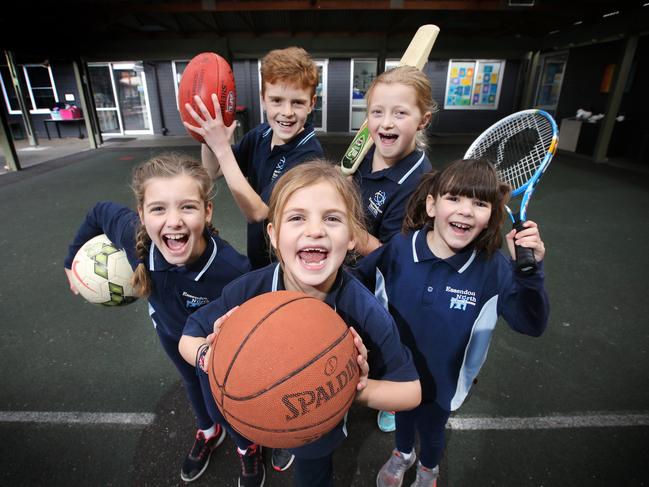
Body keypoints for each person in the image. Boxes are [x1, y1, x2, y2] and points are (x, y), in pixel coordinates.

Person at [179, 160, 422, 487]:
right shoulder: (248, 291)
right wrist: (214, 356)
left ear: (352, 237)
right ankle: (256, 450)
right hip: (253, 411)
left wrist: (352, 387)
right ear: (274, 235)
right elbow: (188, 337)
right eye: (297, 218)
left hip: (317, 428)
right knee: (251, 420)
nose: (315, 230)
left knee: (313, 475)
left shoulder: (364, 311)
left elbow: (410, 393)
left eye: (332, 219)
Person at [354, 158, 550, 487]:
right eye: (454, 198)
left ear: (491, 217)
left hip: (447, 381)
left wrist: (530, 275)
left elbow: (531, 324)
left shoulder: (494, 269)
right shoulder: (401, 249)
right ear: (432, 204)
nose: (465, 211)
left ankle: (429, 467)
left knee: (432, 430)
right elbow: (355, 284)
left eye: (479, 202)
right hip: (398, 371)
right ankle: (403, 453)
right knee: (403, 416)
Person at [63, 153, 251, 484]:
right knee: (192, 384)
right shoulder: (133, 239)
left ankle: (247, 449)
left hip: (213, 348)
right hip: (169, 333)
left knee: (222, 399)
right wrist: (70, 260)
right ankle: (208, 433)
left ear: (207, 211)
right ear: (142, 214)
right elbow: (98, 212)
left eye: (187, 207)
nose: (173, 220)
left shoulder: (232, 271)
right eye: (159, 208)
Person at [184, 46, 324, 273]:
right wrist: (206, 135)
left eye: (297, 102)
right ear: (263, 99)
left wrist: (222, 147)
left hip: (289, 267)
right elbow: (213, 171)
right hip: (259, 256)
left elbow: (258, 213)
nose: (287, 112)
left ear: (311, 103)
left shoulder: (309, 156)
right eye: (277, 100)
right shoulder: (260, 135)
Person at [352, 65, 436, 257]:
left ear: (423, 120)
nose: (386, 123)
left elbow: (390, 254)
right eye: (377, 112)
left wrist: (339, 222)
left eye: (400, 113)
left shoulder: (417, 184)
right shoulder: (366, 149)